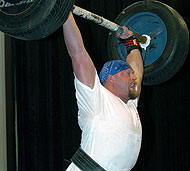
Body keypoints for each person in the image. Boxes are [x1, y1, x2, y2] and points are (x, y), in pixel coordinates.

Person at [63, 12, 144, 171]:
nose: (133, 76)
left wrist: (131, 42)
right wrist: (64, 13)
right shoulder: (96, 97)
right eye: (127, 73)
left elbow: (138, 72)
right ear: (111, 78)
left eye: (132, 73)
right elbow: (78, 52)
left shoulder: (130, 105)